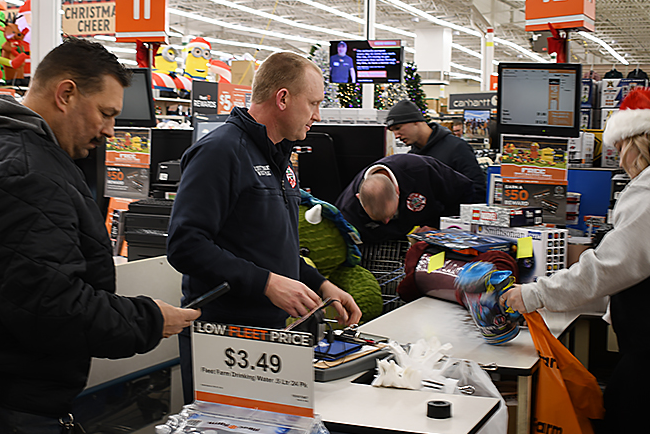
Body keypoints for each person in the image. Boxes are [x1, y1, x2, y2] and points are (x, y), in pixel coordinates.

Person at [0, 38, 200, 434]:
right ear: (66, 94)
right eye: (105, 113)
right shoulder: (26, 171)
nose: (109, 130)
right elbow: (51, 309)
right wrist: (149, 319)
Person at [167, 51, 363, 404]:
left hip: (266, 336)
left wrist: (320, 285)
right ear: (283, 98)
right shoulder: (220, 152)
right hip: (223, 337)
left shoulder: (278, 158)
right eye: (313, 103)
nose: (317, 116)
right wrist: (267, 284)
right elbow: (185, 244)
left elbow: (271, 246)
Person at [499, 87, 650, 433]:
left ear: (638, 140)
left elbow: (613, 264)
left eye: (620, 148)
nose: (619, 160)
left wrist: (534, 294)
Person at [335, 154, 474, 244]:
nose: (387, 222)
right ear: (359, 199)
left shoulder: (422, 170)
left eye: (389, 215)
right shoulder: (348, 209)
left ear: (397, 191)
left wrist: (438, 226)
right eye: (379, 219)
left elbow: (466, 193)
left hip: (436, 238)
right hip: (382, 249)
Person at [385, 99, 486, 203]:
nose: (396, 136)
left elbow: (476, 189)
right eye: (393, 131)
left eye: (398, 128)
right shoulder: (412, 156)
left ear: (416, 121)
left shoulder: (457, 148)